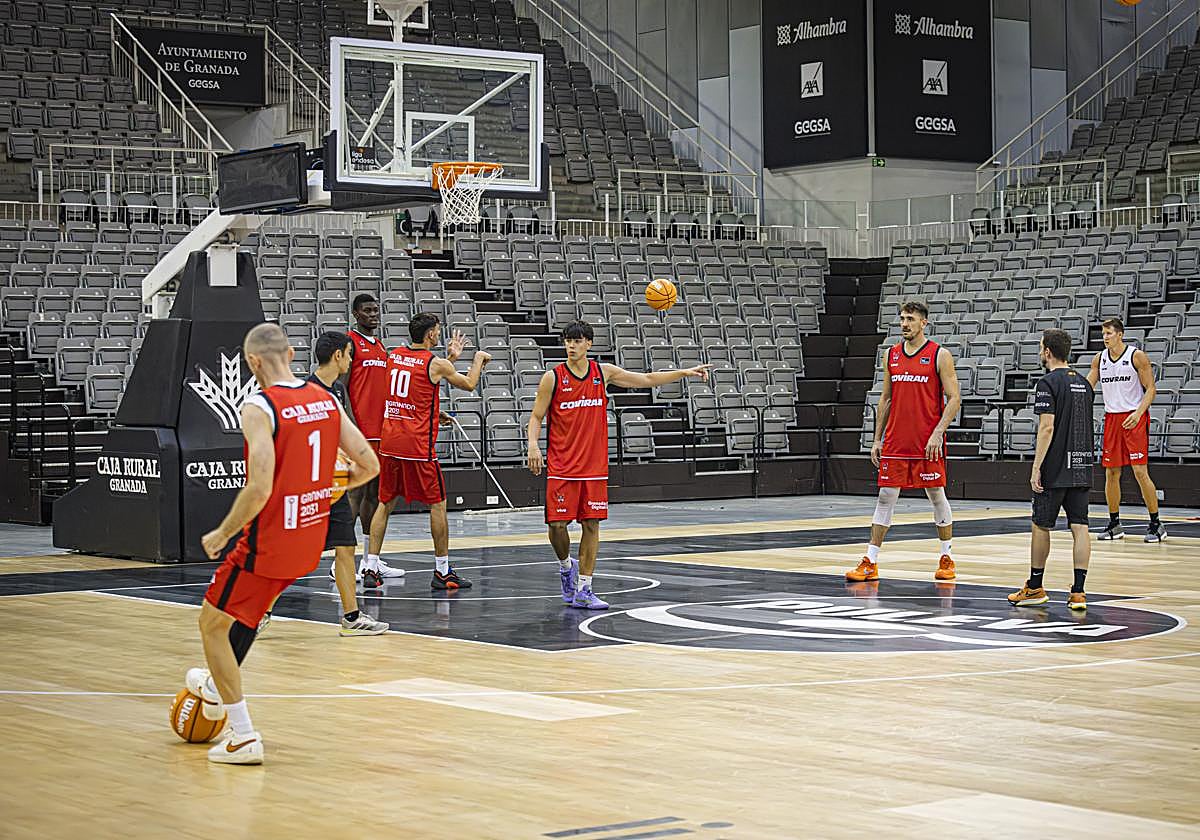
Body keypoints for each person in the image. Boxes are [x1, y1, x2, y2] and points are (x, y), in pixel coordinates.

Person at [186, 323, 379, 764]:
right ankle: (217, 688)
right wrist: (324, 491)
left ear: (253, 362)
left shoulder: (259, 406)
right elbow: (367, 464)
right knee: (247, 614)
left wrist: (222, 532)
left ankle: (242, 735)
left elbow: (258, 488)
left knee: (211, 625)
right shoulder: (326, 400)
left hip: (267, 541)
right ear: (291, 353)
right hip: (309, 540)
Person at [527, 320, 709, 610]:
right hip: (562, 465)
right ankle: (565, 566)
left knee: (592, 524)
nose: (571, 346)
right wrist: (533, 444)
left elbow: (647, 379)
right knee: (557, 525)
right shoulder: (553, 377)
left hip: (594, 467)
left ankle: (585, 589)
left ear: (589, 343)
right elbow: (537, 416)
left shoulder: (603, 373)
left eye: (577, 341)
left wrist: (684, 373)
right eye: (567, 341)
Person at [365, 312, 489, 589]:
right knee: (438, 504)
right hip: (416, 445)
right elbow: (468, 384)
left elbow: (413, 388)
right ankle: (442, 570)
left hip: (390, 442)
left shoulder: (393, 355)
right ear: (431, 334)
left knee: (385, 503)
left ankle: (371, 567)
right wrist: (478, 359)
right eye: (437, 330)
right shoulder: (434, 363)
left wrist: (435, 411)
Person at [846, 301, 962, 583]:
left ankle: (946, 557)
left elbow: (955, 398)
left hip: (926, 442)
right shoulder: (891, 355)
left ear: (924, 323)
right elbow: (884, 399)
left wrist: (938, 432)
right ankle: (870, 560)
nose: (904, 324)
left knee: (936, 494)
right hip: (896, 440)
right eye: (902, 319)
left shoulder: (939, 355)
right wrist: (876, 439)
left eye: (910, 319)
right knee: (886, 496)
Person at [1009, 329, 1095, 611]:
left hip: (1055, 467)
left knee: (1040, 525)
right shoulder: (1084, 383)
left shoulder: (1047, 383)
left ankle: (1035, 587)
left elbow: (1047, 427)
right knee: (1080, 527)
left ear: (1047, 351)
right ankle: (1079, 593)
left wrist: (1036, 467)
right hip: (1081, 466)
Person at [1086, 318, 1166, 542]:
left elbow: (1151, 389)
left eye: (1109, 333)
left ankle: (1156, 523)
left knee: (1140, 472)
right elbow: (1086, 387)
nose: (1105, 337)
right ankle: (1114, 523)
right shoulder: (1099, 359)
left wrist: (1139, 413)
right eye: (1103, 333)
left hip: (1134, 417)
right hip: (1112, 419)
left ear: (1120, 334)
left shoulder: (1136, 356)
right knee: (1111, 473)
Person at [345, 293, 405, 581]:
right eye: (367, 311)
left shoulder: (380, 346)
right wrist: (351, 427)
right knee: (354, 494)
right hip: (360, 432)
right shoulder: (349, 344)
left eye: (376, 310)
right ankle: (340, 563)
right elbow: (342, 387)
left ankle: (371, 560)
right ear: (356, 314)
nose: (373, 315)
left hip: (382, 433)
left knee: (374, 495)